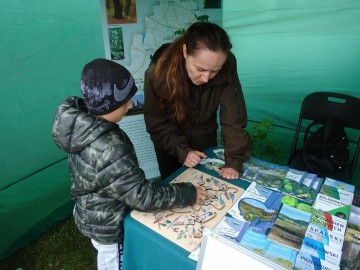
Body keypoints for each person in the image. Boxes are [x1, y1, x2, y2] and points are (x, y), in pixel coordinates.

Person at [52, 58, 206, 270]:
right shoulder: (109, 147)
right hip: (108, 226)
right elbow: (143, 197)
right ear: (109, 104)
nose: (131, 105)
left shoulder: (84, 127)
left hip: (92, 212)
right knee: (116, 263)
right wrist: (188, 193)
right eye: (125, 101)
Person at [143, 21, 251, 180]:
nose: (206, 78)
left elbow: (234, 115)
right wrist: (181, 151)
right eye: (200, 69)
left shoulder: (227, 63)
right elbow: (157, 123)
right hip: (170, 143)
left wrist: (233, 161)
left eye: (215, 71)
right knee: (175, 189)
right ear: (185, 51)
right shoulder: (158, 73)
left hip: (205, 137)